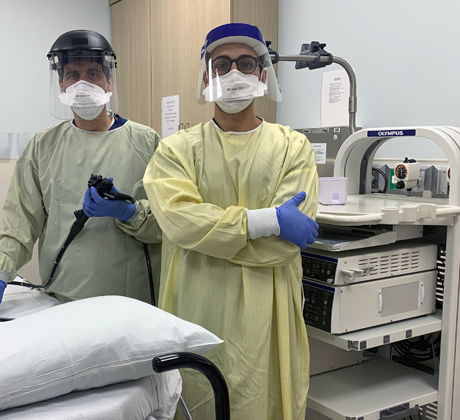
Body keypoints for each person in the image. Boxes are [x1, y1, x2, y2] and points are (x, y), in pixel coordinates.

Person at [143, 23, 319, 419]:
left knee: (264, 399)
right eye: (221, 64)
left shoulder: (292, 146)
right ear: (206, 77)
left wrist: (213, 235)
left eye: (245, 63)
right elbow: (178, 222)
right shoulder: (175, 150)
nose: (233, 74)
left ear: (262, 73)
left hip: (267, 314)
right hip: (195, 306)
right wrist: (268, 220)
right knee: (197, 399)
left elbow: (287, 243)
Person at [0, 30, 161, 323]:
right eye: (73, 75)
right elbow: (20, 220)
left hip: (133, 300)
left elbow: (165, 223)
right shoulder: (44, 146)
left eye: (93, 73)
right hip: (62, 298)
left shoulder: (146, 141)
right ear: (61, 84)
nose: (82, 84)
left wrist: (129, 211)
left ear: (109, 81)